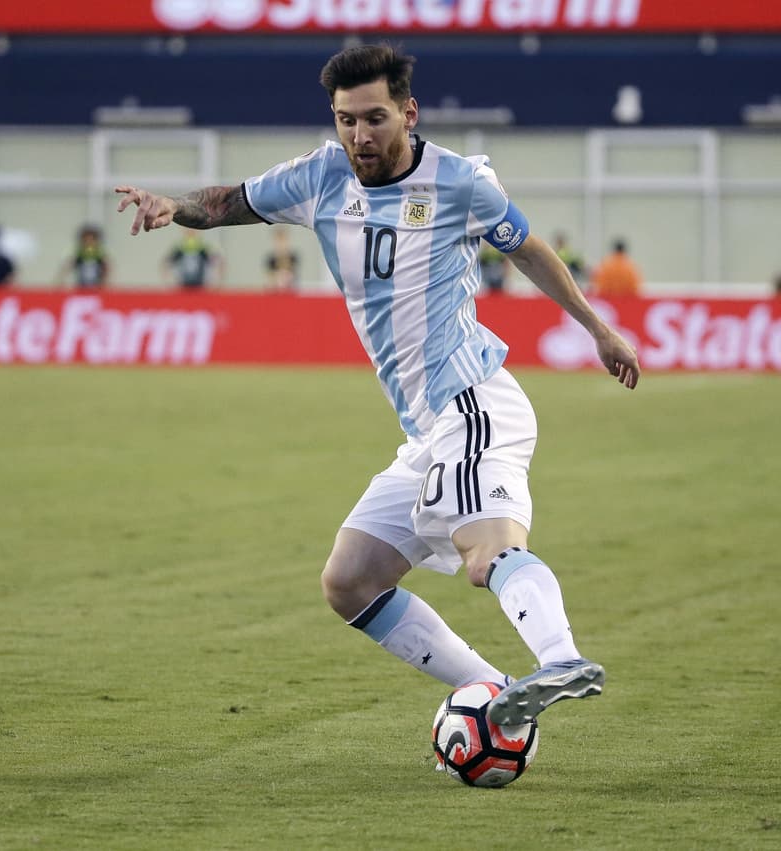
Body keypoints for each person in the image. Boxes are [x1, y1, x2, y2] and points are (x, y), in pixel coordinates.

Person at [116, 43, 639, 731]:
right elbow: (224, 204)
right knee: (350, 579)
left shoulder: (459, 183)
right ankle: (494, 688)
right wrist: (172, 205)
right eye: (346, 120)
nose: (360, 135)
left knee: (485, 550)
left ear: (408, 113)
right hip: (427, 428)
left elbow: (527, 248)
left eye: (375, 118)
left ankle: (563, 657)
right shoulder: (320, 178)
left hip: (473, 401)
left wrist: (598, 329)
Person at [56, 224, 109, 288]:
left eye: (91, 240)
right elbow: (70, 265)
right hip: (82, 284)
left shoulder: (98, 253)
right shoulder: (80, 253)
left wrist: (105, 281)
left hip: (96, 284)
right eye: (86, 240)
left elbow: (106, 267)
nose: (89, 242)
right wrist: (61, 279)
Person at [264, 227, 300, 291]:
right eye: (278, 241)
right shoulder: (271, 259)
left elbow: (295, 276)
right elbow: (269, 278)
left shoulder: (293, 258)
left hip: (290, 291)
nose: (281, 244)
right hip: (275, 291)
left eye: (283, 240)